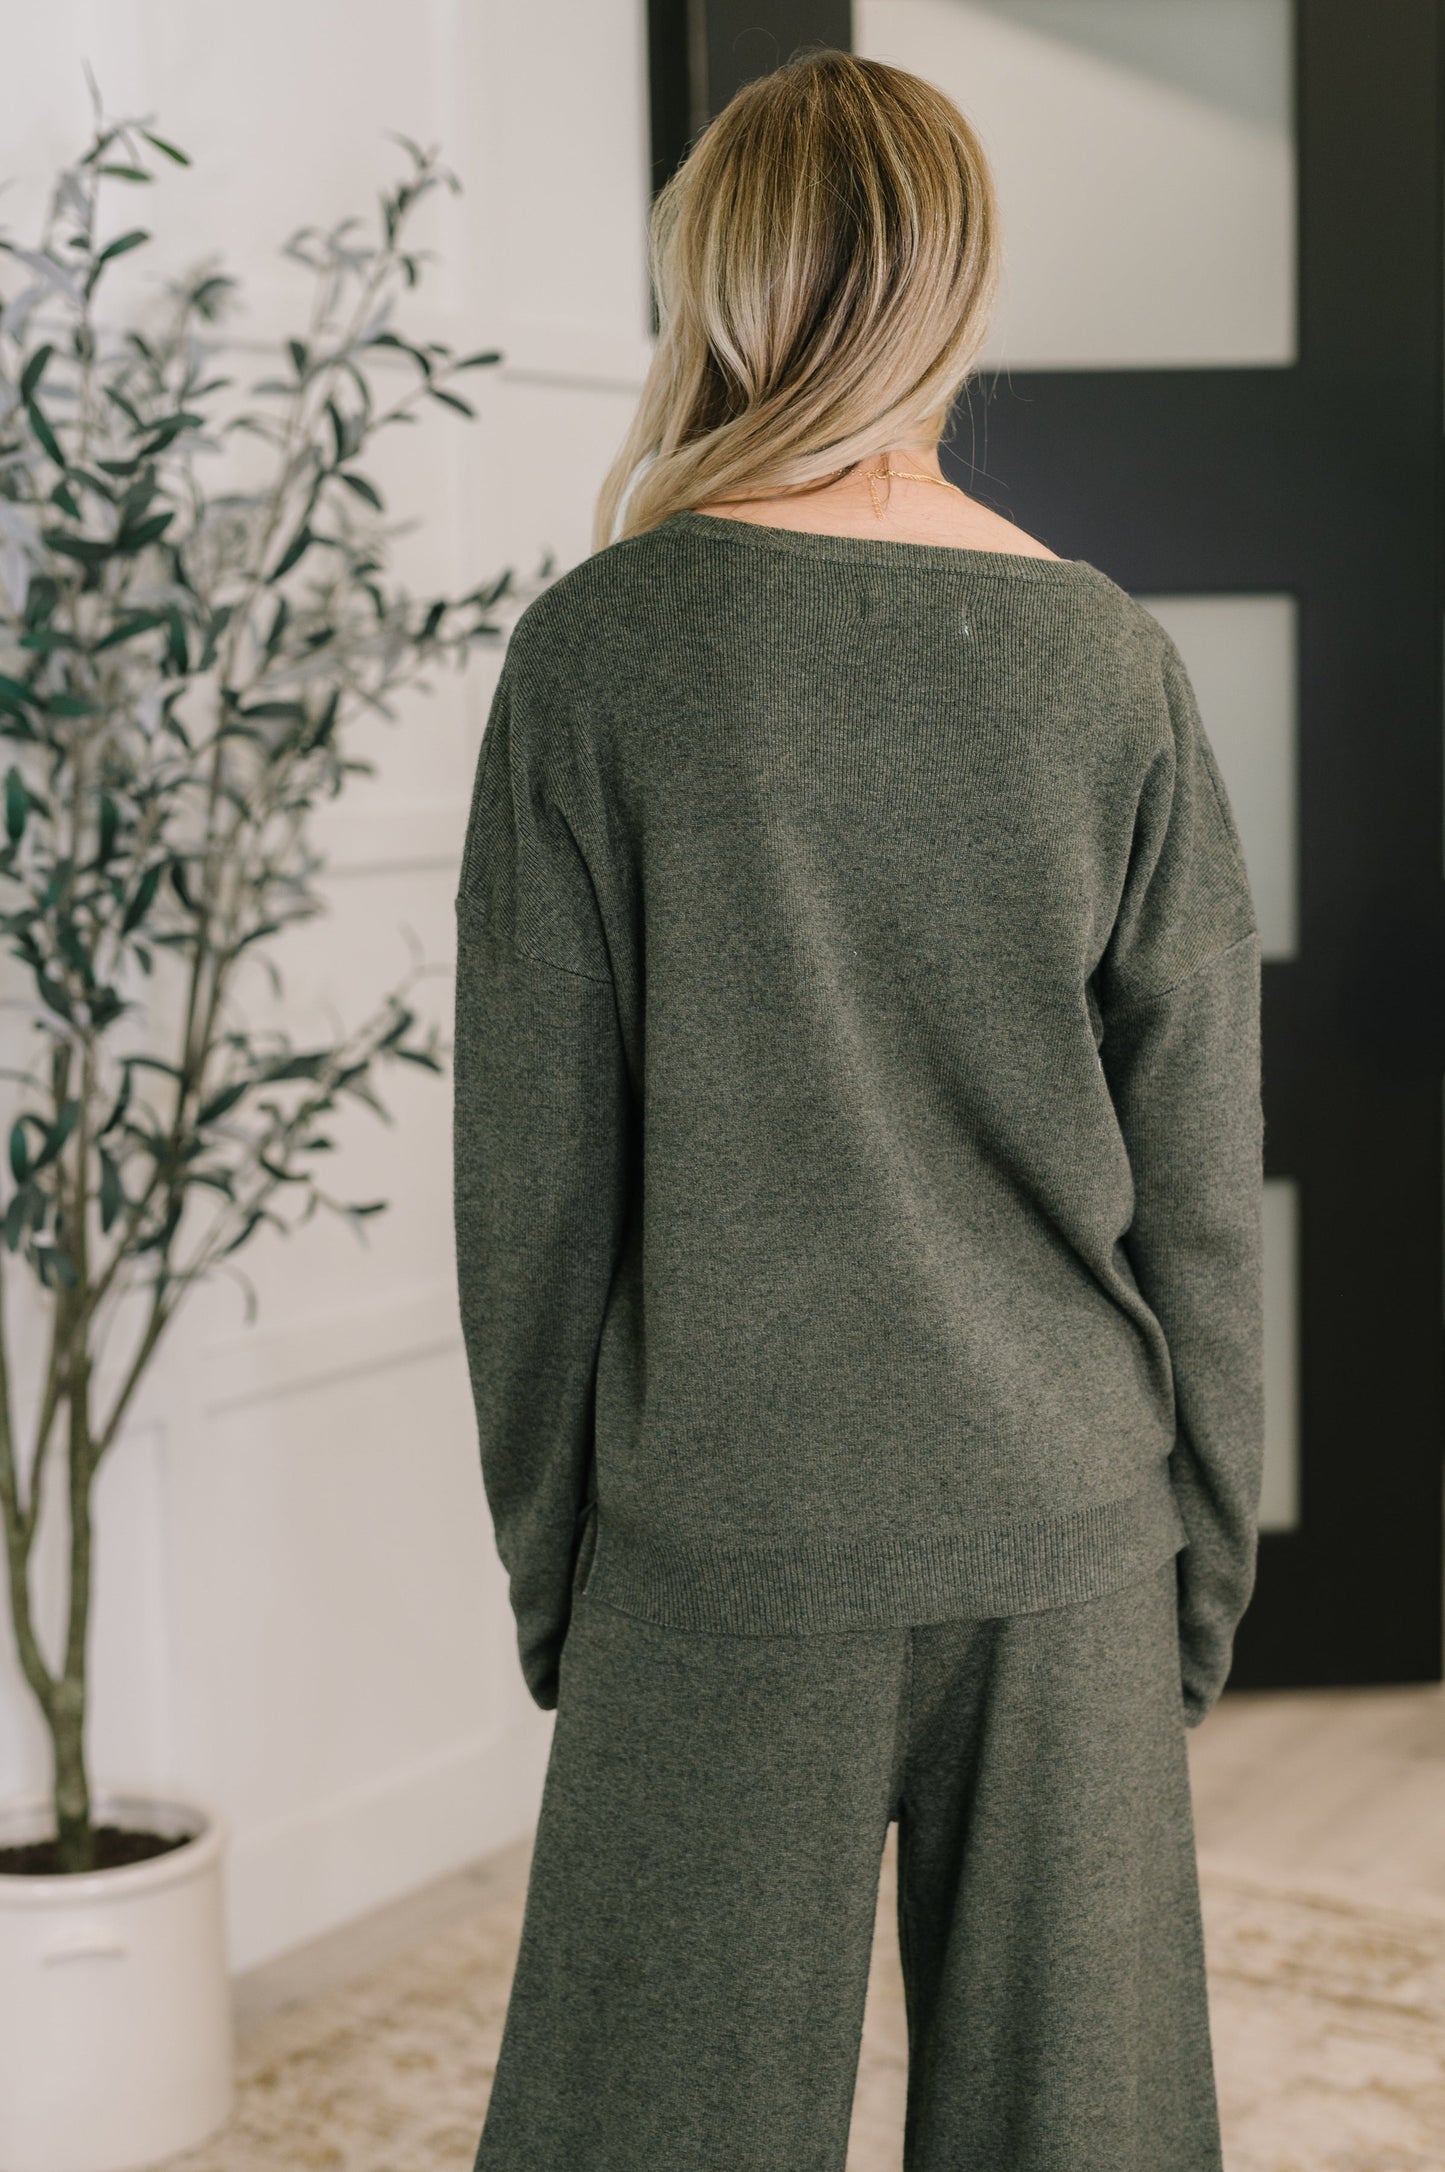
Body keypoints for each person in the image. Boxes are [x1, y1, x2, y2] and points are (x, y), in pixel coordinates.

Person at [452, 46, 1262, 2172]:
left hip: (719, 1538)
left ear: (714, 279)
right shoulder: (1109, 665)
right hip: (1069, 1527)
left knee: (651, 2134)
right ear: (959, 290)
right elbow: (1198, 1187)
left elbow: (533, 1197)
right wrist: (1192, 1577)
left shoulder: (600, 658)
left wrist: (562, 1573)